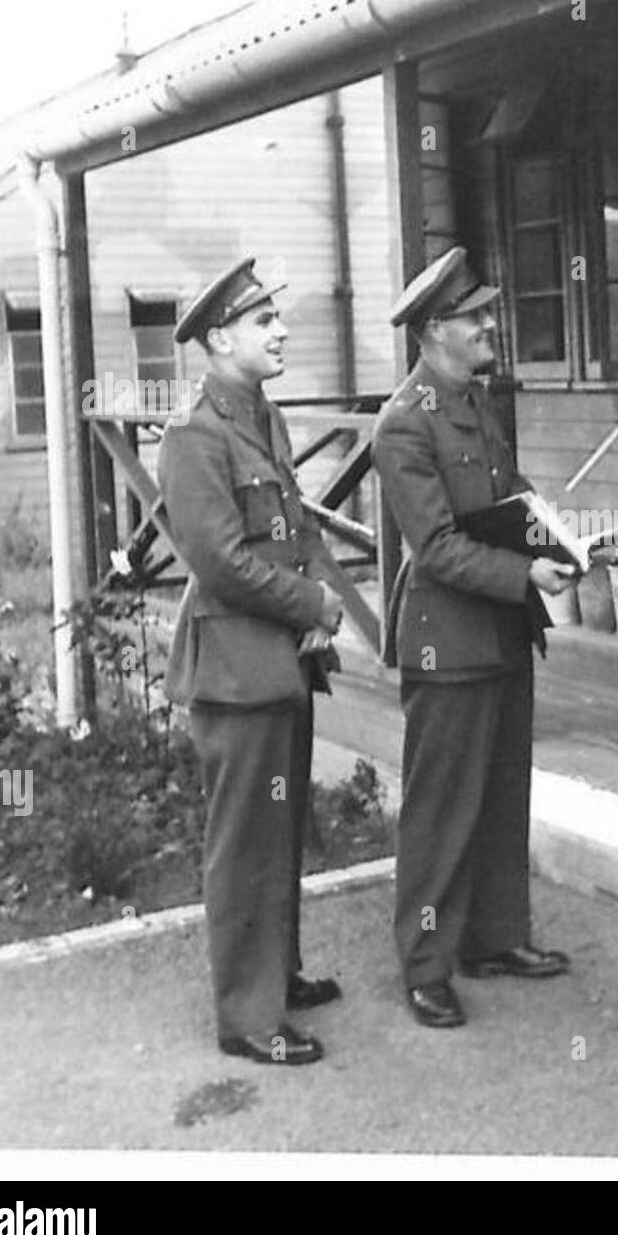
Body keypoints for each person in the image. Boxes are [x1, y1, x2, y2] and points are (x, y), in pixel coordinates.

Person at [372, 246, 574, 1029]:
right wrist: (527, 576)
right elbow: (439, 548)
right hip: (447, 640)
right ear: (432, 331)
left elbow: (505, 502)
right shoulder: (403, 424)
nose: (490, 323)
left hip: (499, 633)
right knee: (441, 810)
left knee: (498, 794)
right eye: (473, 316)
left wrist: (561, 542)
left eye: (485, 311)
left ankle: (494, 939)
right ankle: (426, 965)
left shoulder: (475, 402)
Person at [159, 257, 345, 1065]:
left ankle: (278, 974)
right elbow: (223, 562)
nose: (282, 331)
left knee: (280, 829)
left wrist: (311, 605)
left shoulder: (260, 414)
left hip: (280, 658)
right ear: (220, 336)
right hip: (236, 670)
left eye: (279, 318)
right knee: (244, 843)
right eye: (265, 321)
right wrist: (312, 605)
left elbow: (293, 525)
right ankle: (246, 1016)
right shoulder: (193, 436)